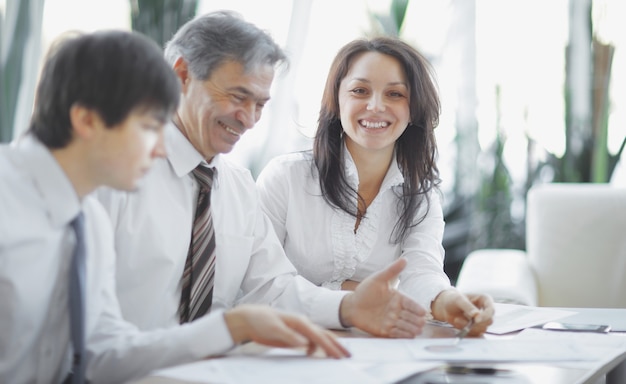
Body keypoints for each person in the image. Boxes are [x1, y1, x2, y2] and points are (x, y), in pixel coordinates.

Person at [0, 30, 349, 384]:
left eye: (260, 104)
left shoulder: (85, 218)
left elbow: (103, 352)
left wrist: (230, 327)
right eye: (151, 127)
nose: (162, 149)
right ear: (87, 120)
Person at [96, 11, 426, 340]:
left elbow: (272, 286)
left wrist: (348, 308)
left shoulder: (237, 187)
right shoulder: (114, 177)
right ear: (182, 75)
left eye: (260, 105)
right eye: (238, 97)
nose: (249, 119)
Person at [256, 37, 494, 335]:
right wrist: (350, 297)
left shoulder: (421, 194)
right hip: (288, 344)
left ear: (414, 109)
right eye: (360, 91)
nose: (376, 106)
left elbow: (421, 271)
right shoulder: (284, 178)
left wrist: (446, 301)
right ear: (336, 99)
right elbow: (261, 286)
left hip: (375, 349)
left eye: (395, 94)